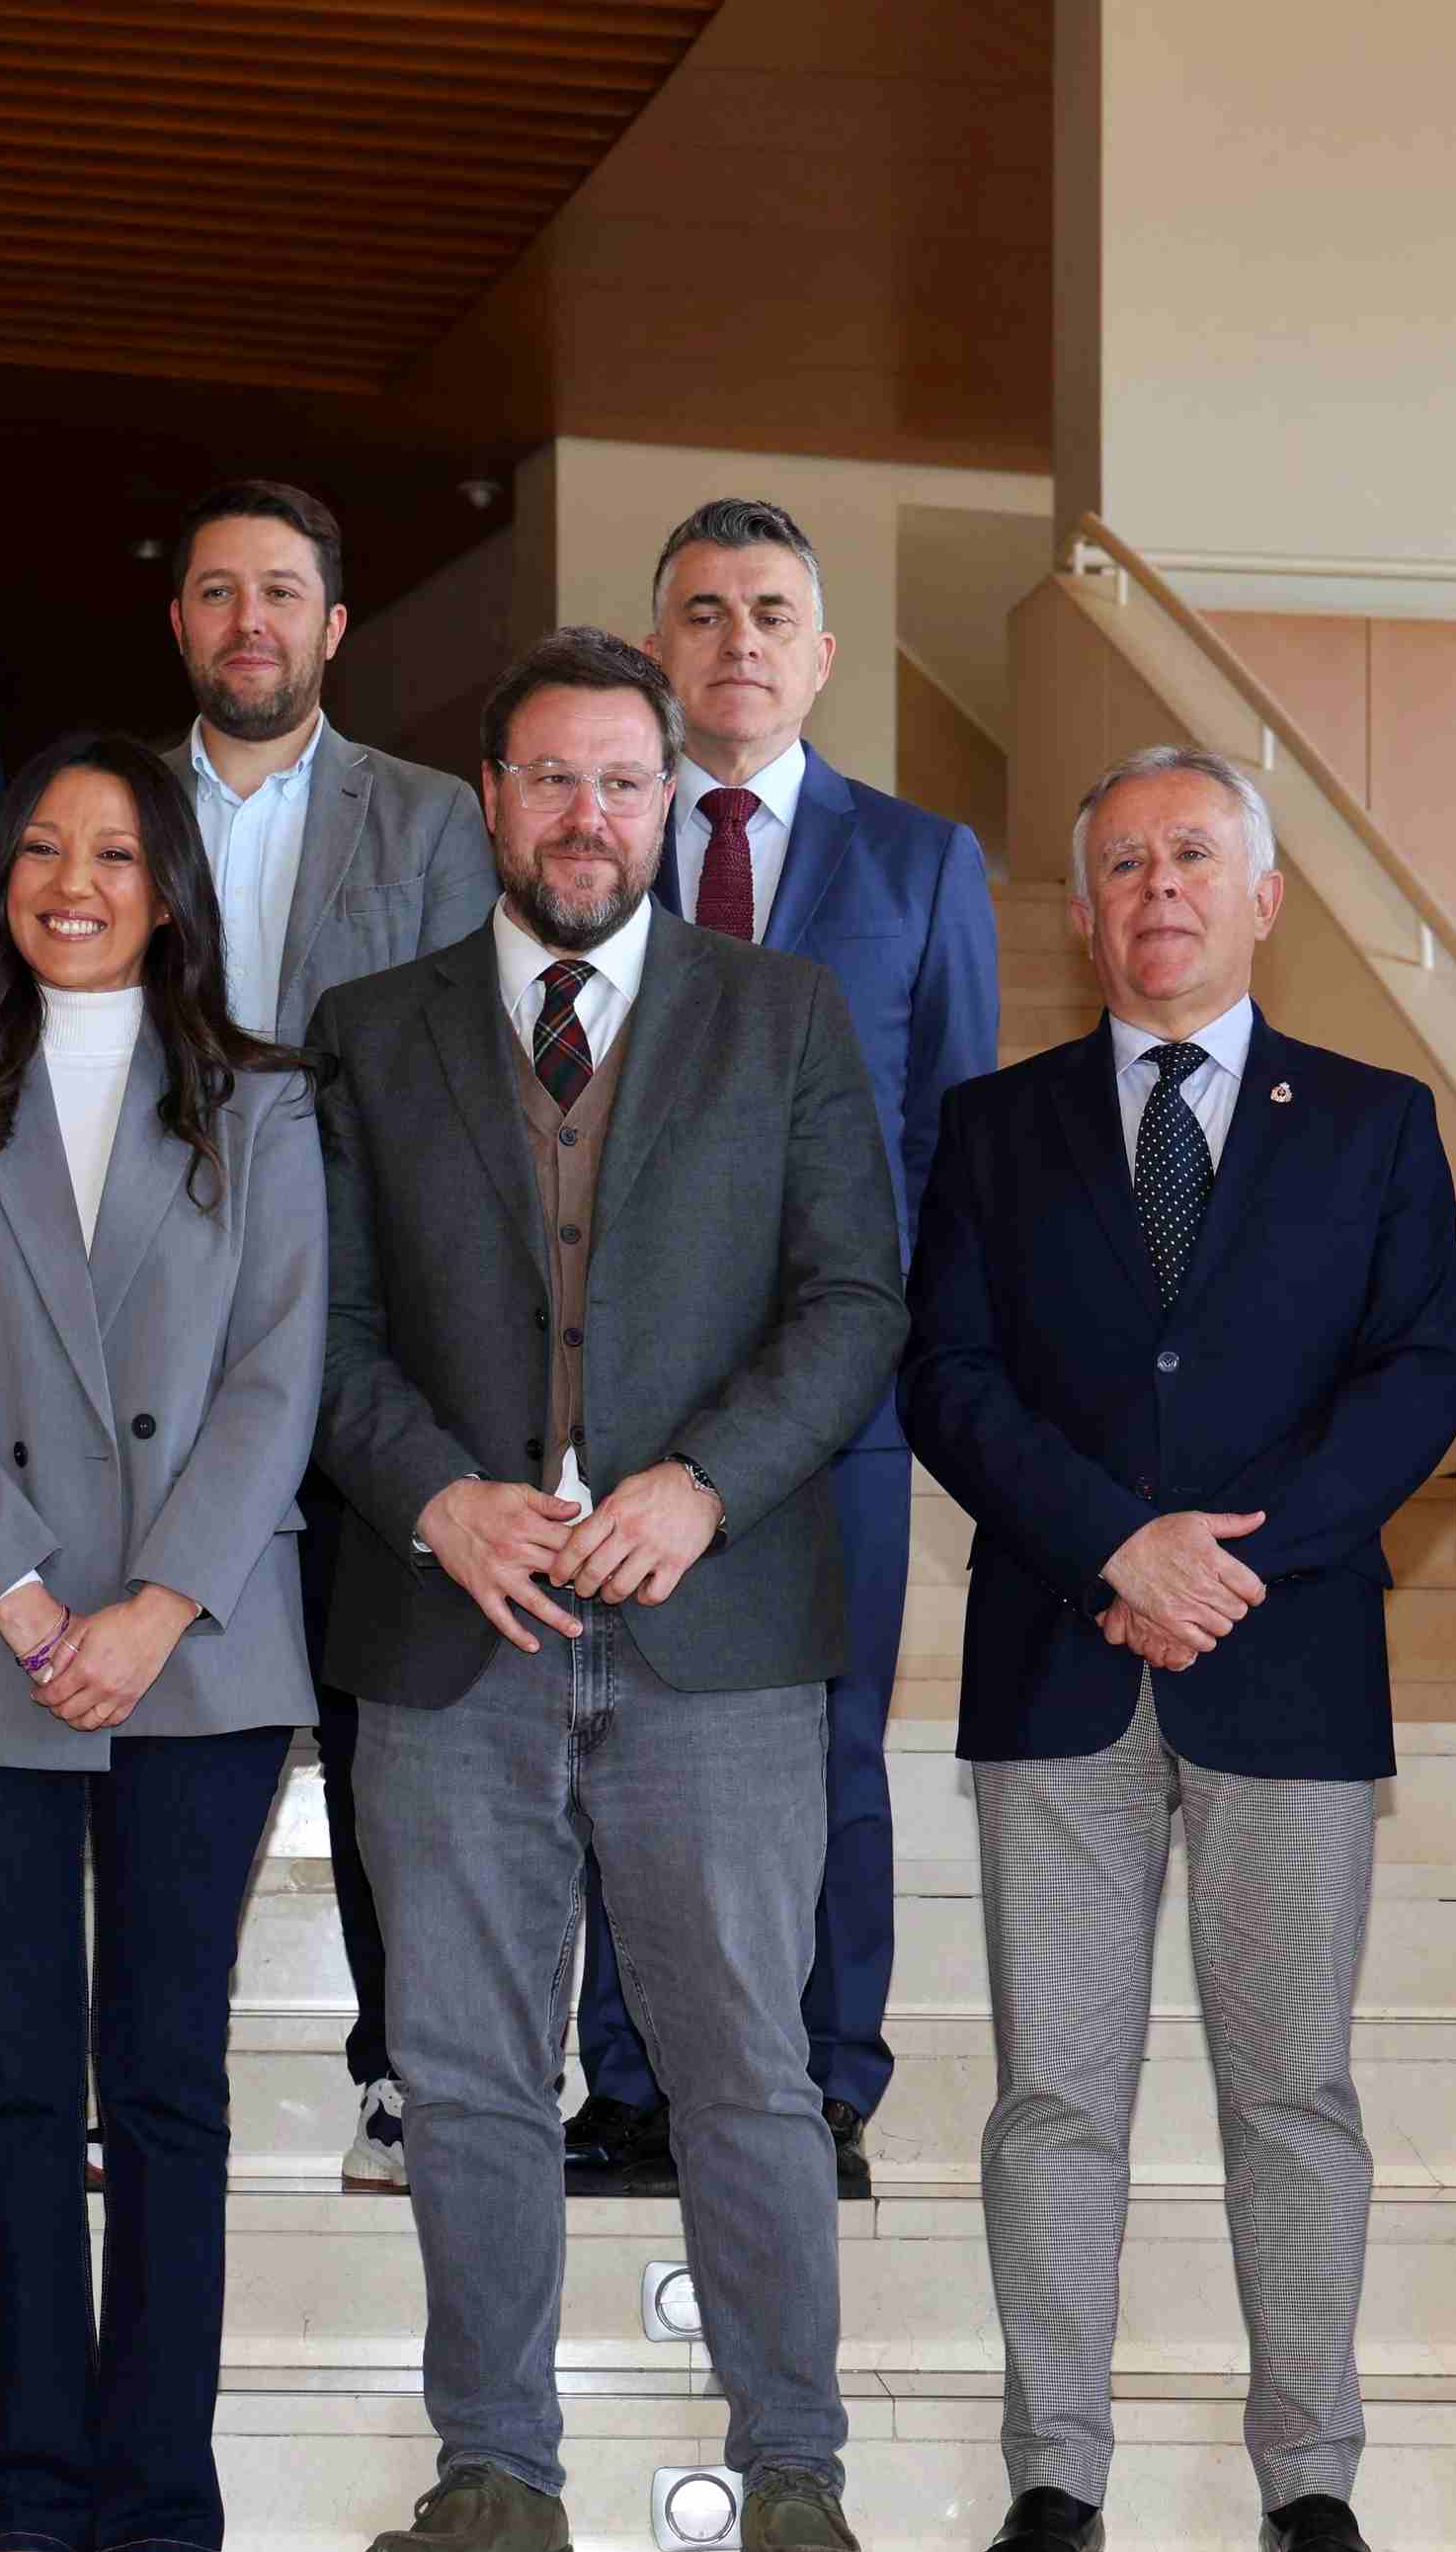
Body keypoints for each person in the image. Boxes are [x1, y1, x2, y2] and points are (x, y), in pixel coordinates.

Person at [311, 627, 905, 2552]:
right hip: (449, 1632)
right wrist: (427, 1492)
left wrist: (701, 1485)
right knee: (470, 2074)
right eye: (550, 779)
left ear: (675, 799)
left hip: (709, 1634)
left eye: (623, 782)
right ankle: (493, 2479)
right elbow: (318, 1329)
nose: (587, 818)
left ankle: (793, 2487)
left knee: (745, 2066)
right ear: (488, 799)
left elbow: (851, 1304)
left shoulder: (784, 1012)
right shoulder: (369, 1031)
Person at [903, 747, 1456, 2552]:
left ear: (1264, 892)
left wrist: (1233, 1561)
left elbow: (1413, 1385)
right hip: (1061, 1668)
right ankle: (1053, 2489)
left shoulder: (1378, 1125)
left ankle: (1311, 2496)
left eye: (1195, 855)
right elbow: (951, 1381)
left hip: (1285, 1675)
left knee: (1290, 2098)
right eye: (1123, 860)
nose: (1159, 887)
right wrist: (1112, 1549)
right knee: (1053, 2100)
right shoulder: (993, 1128)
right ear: (1083, 910)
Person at [0, 732, 325, 2552]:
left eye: (116, 854)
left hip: (200, 1651)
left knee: (173, 2078)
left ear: (170, 887)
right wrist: (32, 1600)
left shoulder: (264, 1106)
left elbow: (279, 1375)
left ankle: (168, 2492)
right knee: (17, 2079)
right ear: (2, 880)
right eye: (43, 848)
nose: (76, 881)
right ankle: (24, 2485)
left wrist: (153, 1609)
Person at [562, 499, 999, 2206]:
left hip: (842, 1405)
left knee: (830, 1752)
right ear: (657, 651)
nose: (736, 641)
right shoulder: (591, 845)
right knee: (606, 1738)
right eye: (701, 613)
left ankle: (826, 2083)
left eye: (770, 614)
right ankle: (631, 2088)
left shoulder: (920, 863)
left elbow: (953, 1137)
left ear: (821, 657)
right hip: (609, 1395)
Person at [159, 475, 497, 2195]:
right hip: (146, 1312)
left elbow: (459, 1074)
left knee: (377, 1705)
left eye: (280, 593)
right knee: (165, 1704)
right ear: (182, 624)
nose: (249, 622)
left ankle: (401, 2068)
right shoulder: (109, 809)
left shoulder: (436, 820)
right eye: (218, 592)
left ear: (334, 627)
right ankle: (140, 2066)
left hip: (368, 1300)